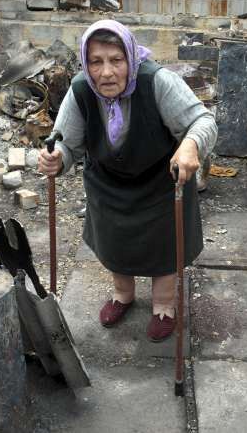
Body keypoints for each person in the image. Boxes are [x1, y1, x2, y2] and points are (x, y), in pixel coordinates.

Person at [38, 19, 217, 342]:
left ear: (130, 59)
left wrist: (190, 145)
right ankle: (123, 294)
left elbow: (202, 120)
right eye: (96, 62)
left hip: (162, 180)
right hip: (109, 183)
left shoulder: (157, 82)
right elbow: (66, 141)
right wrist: (58, 158)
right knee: (114, 239)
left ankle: (164, 304)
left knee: (164, 244)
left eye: (116, 60)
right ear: (86, 63)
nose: (106, 72)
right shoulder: (81, 90)